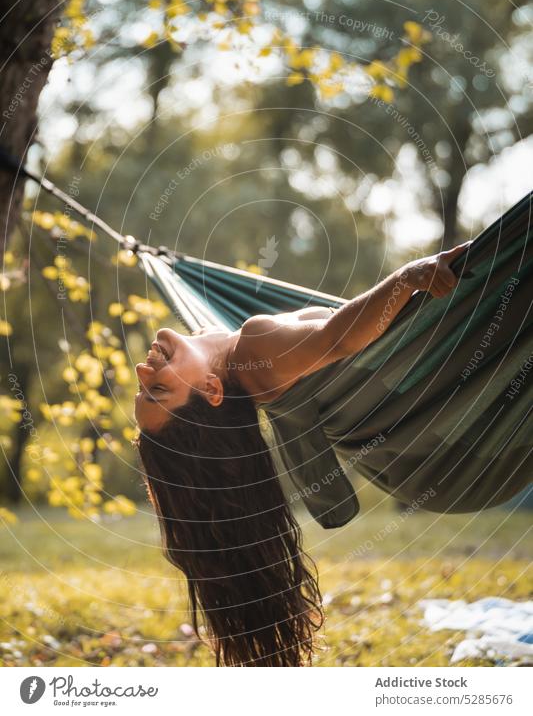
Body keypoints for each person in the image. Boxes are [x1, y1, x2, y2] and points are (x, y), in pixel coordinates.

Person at [134, 241, 471, 666]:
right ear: (212, 390)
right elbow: (338, 338)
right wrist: (409, 276)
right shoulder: (256, 350)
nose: (142, 370)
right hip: (453, 377)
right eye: (157, 389)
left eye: (141, 387)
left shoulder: (215, 344)